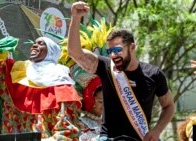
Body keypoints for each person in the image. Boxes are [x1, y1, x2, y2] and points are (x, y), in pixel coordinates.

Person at [67, 1, 175, 141]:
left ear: (132, 47)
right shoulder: (105, 66)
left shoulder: (154, 74)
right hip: (109, 138)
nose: (113, 55)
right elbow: (75, 53)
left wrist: (157, 131)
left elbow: (168, 106)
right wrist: (75, 18)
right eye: (110, 51)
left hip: (141, 137)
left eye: (118, 50)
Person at [0, 14, 82, 140]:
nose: (35, 45)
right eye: (34, 43)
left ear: (51, 52)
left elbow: (68, 132)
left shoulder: (61, 83)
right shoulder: (20, 72)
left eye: (41, 44)